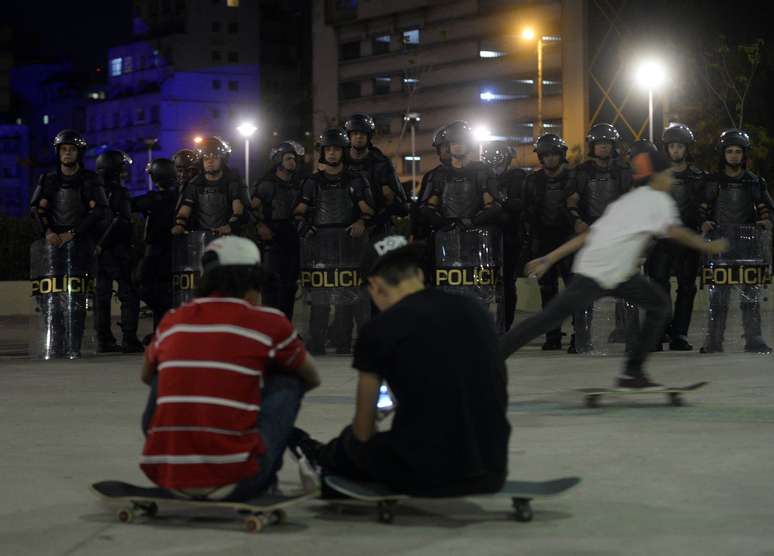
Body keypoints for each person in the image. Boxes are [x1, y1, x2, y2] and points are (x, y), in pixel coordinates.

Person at [290, 234, 511, 496]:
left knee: (352, 443)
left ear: (374, 285)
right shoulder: (476, 312)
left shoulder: (380, 329)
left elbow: (363, 430)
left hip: (425, 474)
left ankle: (315, 456)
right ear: (418, 273)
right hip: (493, 468)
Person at [500, 150, 729, 389]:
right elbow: (674, 231)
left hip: (611, 272)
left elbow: (589, 235)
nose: (670, 180)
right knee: (550, 319)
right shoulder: (658, 200)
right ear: (656, 176)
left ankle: (633, 373)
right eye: (668, 175)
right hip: (599, 273)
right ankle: (493, 356)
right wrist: (707, 245)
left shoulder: (626, 201)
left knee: (658, 305)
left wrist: (549, 258)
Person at [140, 235, 321, 500]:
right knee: (289, 377)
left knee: (164, 371)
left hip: (168, 476)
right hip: (239, 479)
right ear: (253, 281)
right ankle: (267, 476)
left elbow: (146, 376)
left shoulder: (172, 320)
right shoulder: (269, 322)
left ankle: (180, 456)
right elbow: (312, 377)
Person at [294, 128, 375, 354]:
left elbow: (368, 211)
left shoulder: (356, 180)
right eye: (328, 149)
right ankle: (317, 343)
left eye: (336, 149)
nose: (331, 153)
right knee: (320, 297)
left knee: (353, 296)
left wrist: (361, 222)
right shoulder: (312, 182)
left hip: (350, 244)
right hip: (320, 245)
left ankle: (349, 342)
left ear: (343, 152)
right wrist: (305, 228)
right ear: (322, 153)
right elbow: (299, 212)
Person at [29, 129, 108, 358]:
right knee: (51, 300)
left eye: (71, 150)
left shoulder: (90, 180)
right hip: (53, 247)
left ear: (78, 153)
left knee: (76, 299)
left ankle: (74, 345)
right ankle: (54, 344)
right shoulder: (48, 179)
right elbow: (37, 209)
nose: (67, 154)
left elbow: (100, 211)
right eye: (63, 150)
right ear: (58, 152)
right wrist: (48, 232)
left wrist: (73, 233)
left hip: (80, 245)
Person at [699, 129, 773, 353]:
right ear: (723, 153)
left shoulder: (754, 182)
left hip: (749, 245)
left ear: (744, 154)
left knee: (751, 297)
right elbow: (701, 209)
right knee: (718, 298)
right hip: (720, 245)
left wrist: (766, 221)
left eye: (738, 151)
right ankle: (714, 340)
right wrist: (704, 223)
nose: (733, 155)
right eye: (729, 151)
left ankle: (754, 339)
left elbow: (767, 209)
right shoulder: (712, 181)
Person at [567, 123, 634, 352]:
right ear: (592, 146)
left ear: (613, 146)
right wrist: (577, 220)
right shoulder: (582, 171)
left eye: (607, 143)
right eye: (599, 143)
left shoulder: (623, 170)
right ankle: (582, 335)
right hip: (590, 232)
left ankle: (625, 331)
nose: (603, 147)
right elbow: (572, 200)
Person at [644, 124, 705, 351]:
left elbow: (704, 206)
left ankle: (679, 334)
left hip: (688, 237)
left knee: (687, 287)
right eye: (672, 146)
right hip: (661, 238)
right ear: (666, 149)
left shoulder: (699, 176)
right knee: (658, 285)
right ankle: (659, 333)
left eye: (680, 146)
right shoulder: (656, 176)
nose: (676, 150)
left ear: (686, 149)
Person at [523, 133, 576, 350]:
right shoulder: (532, 181)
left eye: (554, 154)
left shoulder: (574, 177)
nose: (550, 159)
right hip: (544, 240)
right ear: (540, 157)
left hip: (569, 240)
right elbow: (527, 214)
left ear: (562, 155)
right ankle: (552, 335)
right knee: (548, 291)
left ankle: (579, 333)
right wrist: (529, 243)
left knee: (574, 289)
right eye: (546, 155)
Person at [250, 140, 305, 320]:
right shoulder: (267, 184)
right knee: (271, 285)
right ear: (278, 160)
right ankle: (269, 327)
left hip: (292, 236)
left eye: (294, 159)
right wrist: (260, 226)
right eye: (288, 158)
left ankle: (285, 327)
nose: (292, 162)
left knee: (290, 286)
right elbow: (251, 209)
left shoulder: (298, 184)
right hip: (272, 239)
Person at [94, 150, 143, 353]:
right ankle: (129, 339)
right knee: (129, 294)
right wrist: (105, 244)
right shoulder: (120, 193)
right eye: (122, 168)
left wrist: (97, 246)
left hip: (97, 252)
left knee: (101, 296)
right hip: (117, 250)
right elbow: (121, 220)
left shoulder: (91, 190)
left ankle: (104, 340)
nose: (125, 172)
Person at [481, 141, 525, 331]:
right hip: (484, 237)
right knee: (482, 282)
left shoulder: (517, 177)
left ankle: (504, 326)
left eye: (499, 163)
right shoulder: (481, 176)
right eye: (493, 164)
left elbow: (519, 205)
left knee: (507, 283)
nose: (496, 168)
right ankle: (481, 325)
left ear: (507, 160)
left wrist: (500, 201)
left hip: (510, 235)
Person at [132, 158, 178, 336]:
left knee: (144, 286)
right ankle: (161, 331)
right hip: (174, 249)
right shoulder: (179, 195)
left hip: (156, 250)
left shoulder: (153, 198)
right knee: (162, 289)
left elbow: (131, 205)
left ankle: (165, 325)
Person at [344, 113, 407, 237]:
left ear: (369, 136)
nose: (359, 137)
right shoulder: (341, 162)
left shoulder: (381, 163)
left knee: (388, 253)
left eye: (363, 133)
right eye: (355, 133)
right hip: (345, 226)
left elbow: (397, 201)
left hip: (378, 226)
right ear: (349, 136)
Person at [172, 137, 246, 236]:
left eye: (215, 157)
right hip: (201, 237)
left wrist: (230, 226)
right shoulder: (194, 184)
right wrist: (179, 225)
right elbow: (185, 209)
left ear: (222, 159)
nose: (210, 161)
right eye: (206, 158)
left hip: (227, 238)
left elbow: (238, 209)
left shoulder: (232, 182)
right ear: (201, 161)